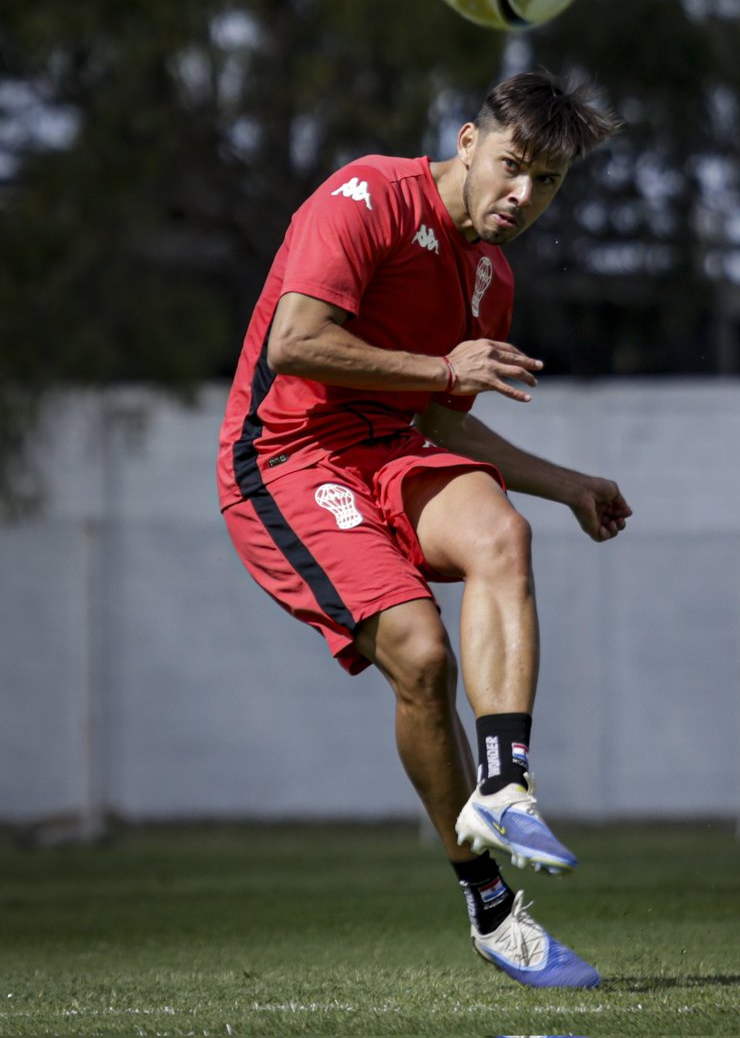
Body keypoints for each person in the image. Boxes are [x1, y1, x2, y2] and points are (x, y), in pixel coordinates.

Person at [217, 69, 632, 989]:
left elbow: (443, 418)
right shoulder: (364, 194)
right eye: (515, 167)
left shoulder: (490, 272)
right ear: (468, 140)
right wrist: (443, 372)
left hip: (389, 448)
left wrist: (568, 483)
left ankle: (507, 785)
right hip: (285, 457)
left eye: (551, 182)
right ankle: (491, 906)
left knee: (503, 535)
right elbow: (295, 340)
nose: (524, 196)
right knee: (421, 653)